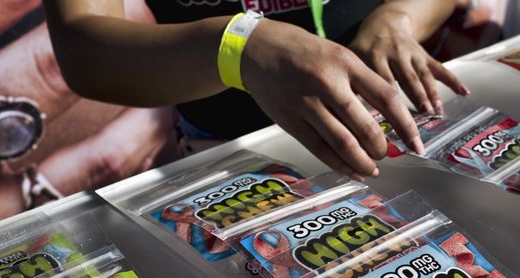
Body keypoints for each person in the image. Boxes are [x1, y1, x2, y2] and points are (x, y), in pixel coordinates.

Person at [42, 0, 471, 180]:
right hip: (232, 166)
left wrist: (400, 17)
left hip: (402, 137)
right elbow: (82, 49)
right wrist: (238, 48)